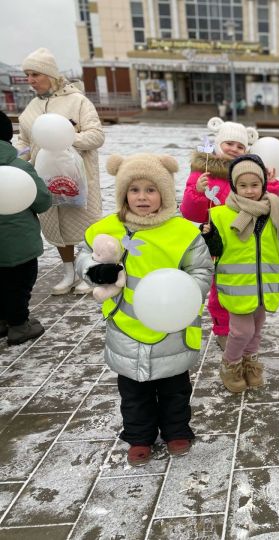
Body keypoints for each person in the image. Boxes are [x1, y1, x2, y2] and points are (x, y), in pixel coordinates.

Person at [76, 153, 213, 467]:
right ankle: (139, 436)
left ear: (164, 193)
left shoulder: (182, 232)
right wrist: (93, 270)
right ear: (123, 193)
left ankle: (177, 430)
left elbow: (202, 271)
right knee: (133, 392)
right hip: (126, 326)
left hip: (172, 329)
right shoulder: (107, 228)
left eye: (150, 190)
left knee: (174, 388)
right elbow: (86, 255)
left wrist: (187, 294)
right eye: (134, 189)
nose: (142, 197)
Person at [200, 154, 279, 393]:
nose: (249, 191)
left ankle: (250, 362)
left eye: (255, 185)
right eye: (243, 185)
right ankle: (231, 363)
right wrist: (208, 236)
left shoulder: (273, 212)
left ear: (263, 185)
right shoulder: (221, 215)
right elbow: (216, 250)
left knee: (256, 329)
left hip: (264, 284)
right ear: (235, 186)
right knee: (241, 331)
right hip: (237, 285)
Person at [180, 117, 279, 351]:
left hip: (244, 242)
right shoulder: (202, 173)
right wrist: (197, 192)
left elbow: (265, 201)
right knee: (220, 288)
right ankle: (223, 329)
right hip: (216, 239)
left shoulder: (247, 174)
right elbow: (191, 213)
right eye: (229, 143)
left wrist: (272, 185)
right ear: (217, 144)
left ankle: (246, 321)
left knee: (242, 283)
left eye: (240, 146)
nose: (234, 149)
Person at [16, 47, 104, 296]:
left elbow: (96, 135)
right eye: (27, 75)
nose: (30, 80)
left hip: (77, 178)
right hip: (44, 179)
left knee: (84, 225)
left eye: (35, 74)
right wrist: (21, 159)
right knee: (56, 227)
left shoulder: (77, 101)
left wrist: (66, 138)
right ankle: (68, 273)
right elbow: (24, 140)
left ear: (50, 74)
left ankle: (87, 271)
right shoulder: (31, 108)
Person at [0, 111, 52, 345]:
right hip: (20, 244)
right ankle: (19, 325)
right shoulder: (20, 168)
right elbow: (42, 201)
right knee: (19, 285)